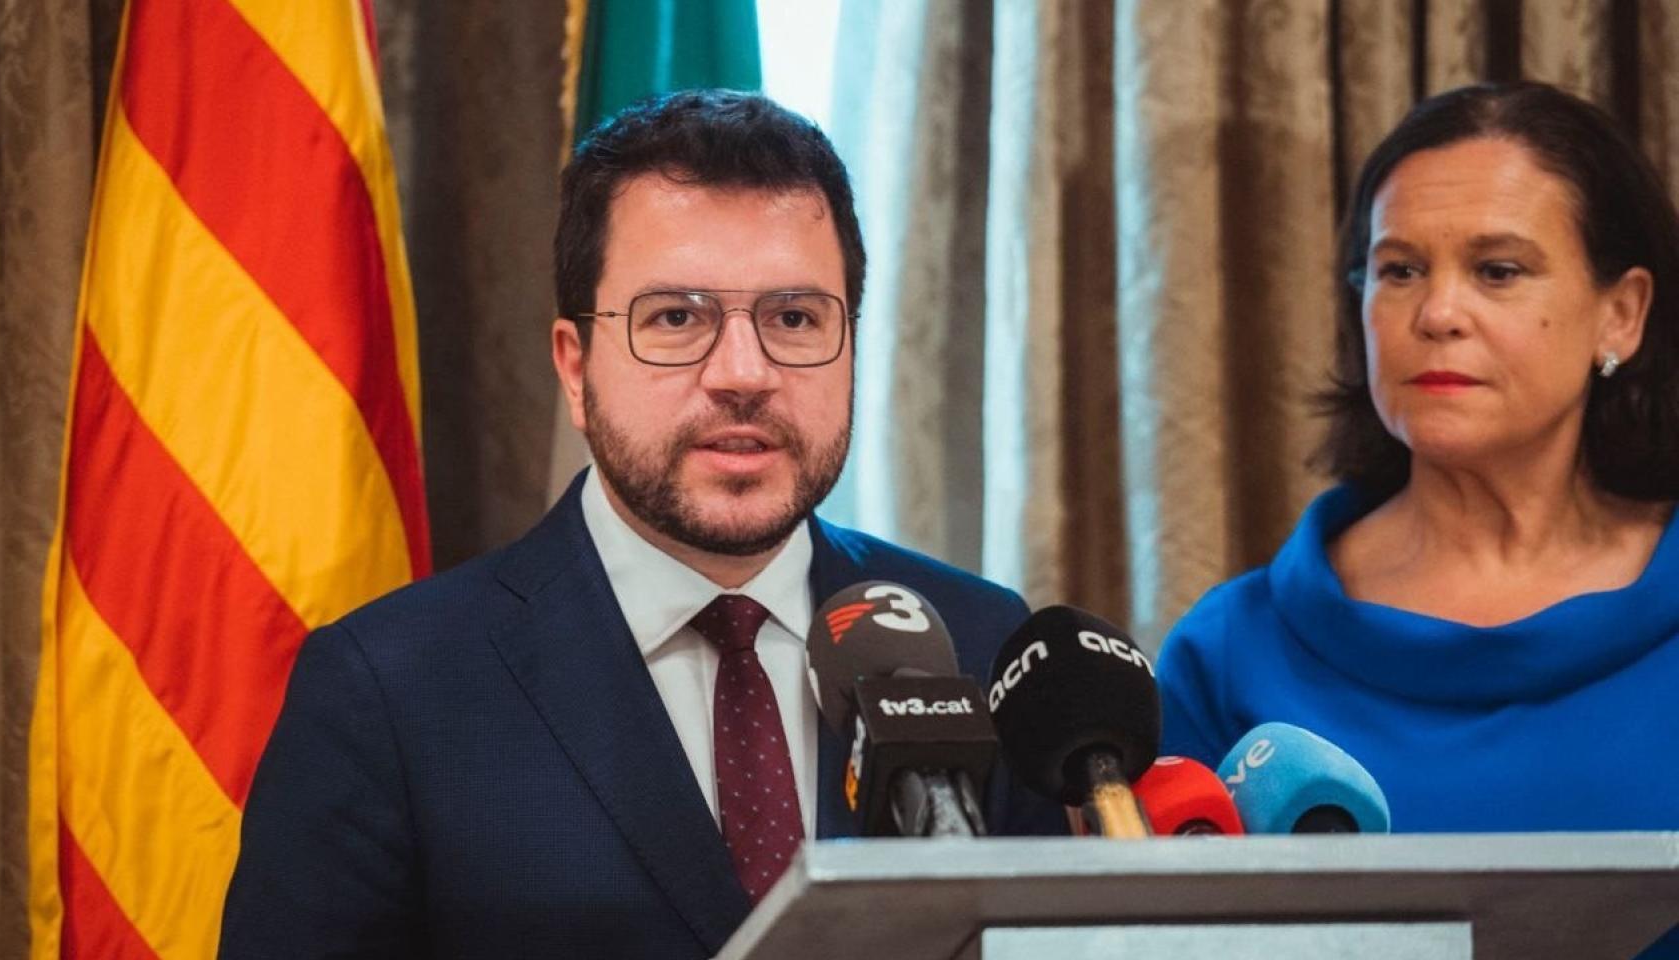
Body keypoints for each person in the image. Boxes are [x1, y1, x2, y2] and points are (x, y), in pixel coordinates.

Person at [219, 90, 1063, 959]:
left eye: (795, 318)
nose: (744, 373)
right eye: (676, 319)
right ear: (575, 370)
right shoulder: (388, 692)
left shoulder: (979, 641)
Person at [1159, 82, 1679, 830]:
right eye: (1400, 270)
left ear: (1621, 314)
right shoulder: (1233, 653)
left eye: (1497, 270)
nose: (1436, 315)